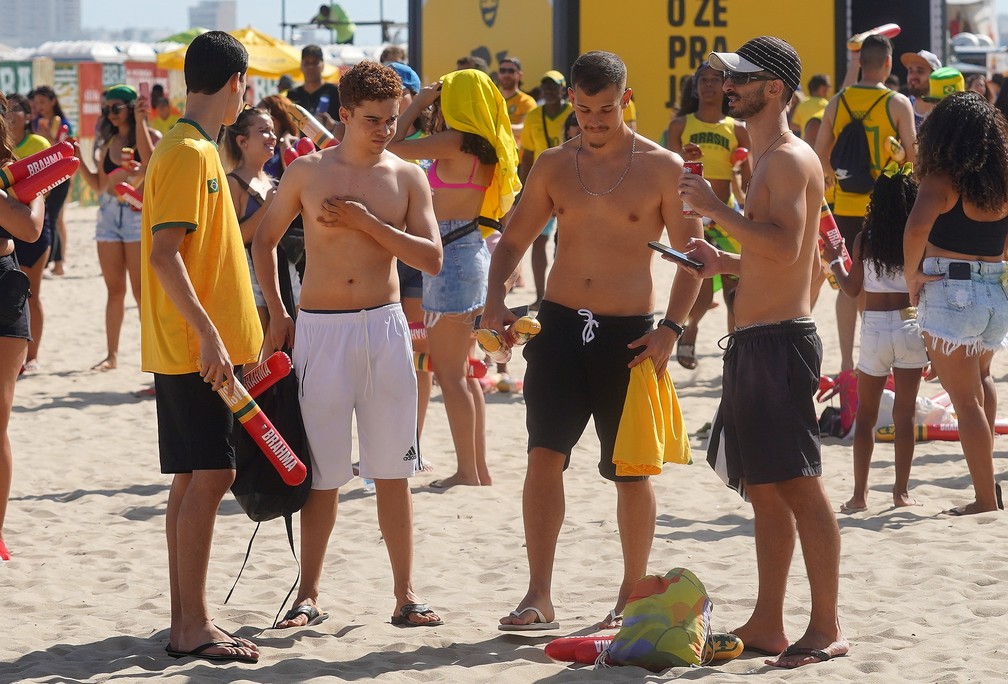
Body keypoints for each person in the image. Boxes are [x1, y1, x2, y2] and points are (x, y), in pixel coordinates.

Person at [485, 50, 702, 630]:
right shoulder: (554, 165)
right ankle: (539, 595)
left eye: (605, 109)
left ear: (625, 100)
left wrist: (672, 329)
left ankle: (630, 596)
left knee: (631, 471)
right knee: (541, 459)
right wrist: (493, 299)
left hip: (629, 338)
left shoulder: (661, 166)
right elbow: (511, 241)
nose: (595, 121)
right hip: (558, 328)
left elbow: (693, 259)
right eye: (584, 111)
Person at [252, 60, 443, 629]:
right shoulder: (308, 172)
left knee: (393, 470)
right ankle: (307, 593)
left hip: (384, 328)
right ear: (344, 115)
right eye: (371, 120)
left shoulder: (406, 177)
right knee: (322, 473)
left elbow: (431, 258)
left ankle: (406, 595)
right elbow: (263, 242)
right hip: (321, 329)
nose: (384, 129)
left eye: (389, 119)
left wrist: (365, 224)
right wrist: (278, 316)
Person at [680, 36, 848, 668]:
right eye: (729, 78)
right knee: (769, 492)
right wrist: (723, 256)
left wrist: (717, 209)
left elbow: (784, 246)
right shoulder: (770, 157)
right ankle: (770, 621)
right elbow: (783, 255)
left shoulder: (786, 159)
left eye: (743, 79)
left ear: (774, 88)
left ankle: (826, 625)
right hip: (760, 339)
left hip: (779, 342)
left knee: (800, 487)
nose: (730, 87)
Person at [141, 30, 261, 663]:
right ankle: (191, 625)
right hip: (194, 349)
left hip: (195, 347)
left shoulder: (195, 148)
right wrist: (214, 335)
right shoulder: (187, 152)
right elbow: (166, 257)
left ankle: (187, 617)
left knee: (193, 478)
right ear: (237, 83)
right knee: (212, 474)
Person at [388, 68, 520, 488]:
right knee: (462, 372)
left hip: (453, 259)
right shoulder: (483, 145)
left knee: (449, 374)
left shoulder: (454, 141)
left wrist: (419, 103)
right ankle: (477, 470)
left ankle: (467, 470)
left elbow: (393, 144)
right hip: (468, 255)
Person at [904, 91, 1008, 516]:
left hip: (952, 290)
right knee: (980, 384)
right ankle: (989, 487)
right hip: (994, 292)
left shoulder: (942, 180)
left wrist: (912, 276)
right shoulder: (1000, 181)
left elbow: (915, 230)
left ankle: (984, 498)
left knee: (964, 402)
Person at [824, 163, 926, 512]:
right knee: (904, 415)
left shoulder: (864, 240)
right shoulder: (916, 237)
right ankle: (900, 493)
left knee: (866, 416)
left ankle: (859, 496)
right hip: (910, 324)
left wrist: (836, 261)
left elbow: (852, 290)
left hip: (876, 328)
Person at [815, 35, 916, 374]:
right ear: (888, 64)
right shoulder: (898, 103)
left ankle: (846, 363)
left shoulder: (838, 102)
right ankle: (876, 364)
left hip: (846, 206)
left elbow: (820, 158)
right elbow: (913, 161)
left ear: (860, 63)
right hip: (887, 208)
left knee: (848, 284)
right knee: (883, 284)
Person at [666, 62, 752, 369]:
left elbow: (749, 180)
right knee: (700, 288)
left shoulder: (738, 129)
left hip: (727, 214)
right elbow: (670, 176)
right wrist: (685, 161)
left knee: (736, 289)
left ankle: (736, 349)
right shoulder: (680, 125)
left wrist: (742, 166)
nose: (710, 85)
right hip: (693, 214)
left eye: (716, 80)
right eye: (704, 80)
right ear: (695, 85)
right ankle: (691, 329)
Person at [75, 85, 157, 371]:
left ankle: (152, 357)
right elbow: (100, 186)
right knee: (114, 290)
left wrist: (142, 123)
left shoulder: (150, 137)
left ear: (131, 107)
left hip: (136, 213)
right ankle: (112, 355)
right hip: (109, 214)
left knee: (140, 292)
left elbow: (154, 167)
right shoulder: (106, 142)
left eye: (116, 108)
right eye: (106, 109)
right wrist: (79, 161)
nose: (110, 114)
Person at [0, 90, 45, 561]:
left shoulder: (12, 174)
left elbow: (29, 230)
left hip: (4, 286)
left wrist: (38, 198)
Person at [222, 107, 282, 340]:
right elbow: (233, 239)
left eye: (273, 130)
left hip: (279, 275)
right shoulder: (233, 183)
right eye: (264, 131)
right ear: (242, 141)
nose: (272, 137)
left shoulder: (272, 182)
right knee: (254, 355)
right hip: (249, 278)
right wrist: (267, 208)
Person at [4, 94, 51, 374]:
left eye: (15, 110)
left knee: (32, 294)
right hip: (12, 229)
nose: (10, 115)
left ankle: (33, 357)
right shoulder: (6, 155)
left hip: (29, 228)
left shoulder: (37, 145)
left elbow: (51, 186)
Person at [519, 70, 573, 310]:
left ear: (563, 89)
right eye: (546, 87)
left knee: (567, 240)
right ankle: (541, 296)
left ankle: (561, 294)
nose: (549, 91)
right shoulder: (533, 116)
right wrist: (525, 191)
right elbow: (527, 157)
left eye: (554, 86)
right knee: (539, 240)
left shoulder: (573, 114)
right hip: (544, 184)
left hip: (572, 184)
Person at [30, 86, 72, 278]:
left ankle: (53, 264)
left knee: (53, 218)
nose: (39, 107)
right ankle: (58, 264)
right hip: (41, 175)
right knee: (51, 219)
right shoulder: (34, 122)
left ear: (53, 101)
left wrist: (45, 134)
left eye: (43, 102)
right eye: (36, 103)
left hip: (60, 175)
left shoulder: (62, 124)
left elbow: (61, 149)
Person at [286, 45, 342, 138]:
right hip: (300, 149)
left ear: (323, 65)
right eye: (307, 62)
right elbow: (287, 125)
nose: (310, 67)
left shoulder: (335, 92)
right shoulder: (292, 94)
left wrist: (333, 125)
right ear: (301, 66)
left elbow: (347, 123)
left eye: (315, 62)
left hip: (328, 148)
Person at [496, 57, 537, 142]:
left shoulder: (527, 101)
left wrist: (497, 126)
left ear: (520, 75)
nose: (506, 75)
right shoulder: (493, 98)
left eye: (511, 71)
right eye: (502, 71)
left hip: (517, 153)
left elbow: (525, 128)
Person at [901, 49, 941, 128]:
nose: (913, 76)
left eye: (920, 71)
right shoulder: (902, 107)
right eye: (910, 71)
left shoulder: (943, 110)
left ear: (934, 77)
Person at [792, 74, 831, 143]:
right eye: (828, 86)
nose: (830, 89)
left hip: (805, 144)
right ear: (822, 88)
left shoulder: (802, 104)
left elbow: (794, 125)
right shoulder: (827, 105)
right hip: (821, 145)